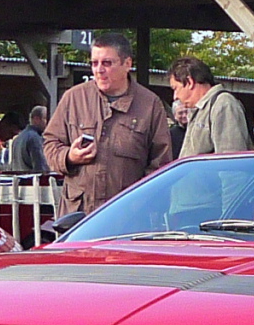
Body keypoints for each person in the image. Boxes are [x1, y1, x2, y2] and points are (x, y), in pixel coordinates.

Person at [43, 32, 170, 216]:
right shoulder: (74, 98)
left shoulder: (149, 105)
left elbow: (161, 164)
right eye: (94, 63)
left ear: (127, 64)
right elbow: (50, 143)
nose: (99, 70)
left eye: (107, 63)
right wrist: (69, 157)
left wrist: (139, 204)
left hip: (127, 216)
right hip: (79, 215)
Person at [168, 56, 252, 157]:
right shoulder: (202, 109)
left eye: (176, 88)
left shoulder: (223, 104)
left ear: (189, 82)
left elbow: (231, 159)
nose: (175, 96)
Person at [9, 105, 49, 172]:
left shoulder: (17, 139)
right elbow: (41, 168)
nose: (48, 123)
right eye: (46, 119)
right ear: (36, 119)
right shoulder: (35, 138)